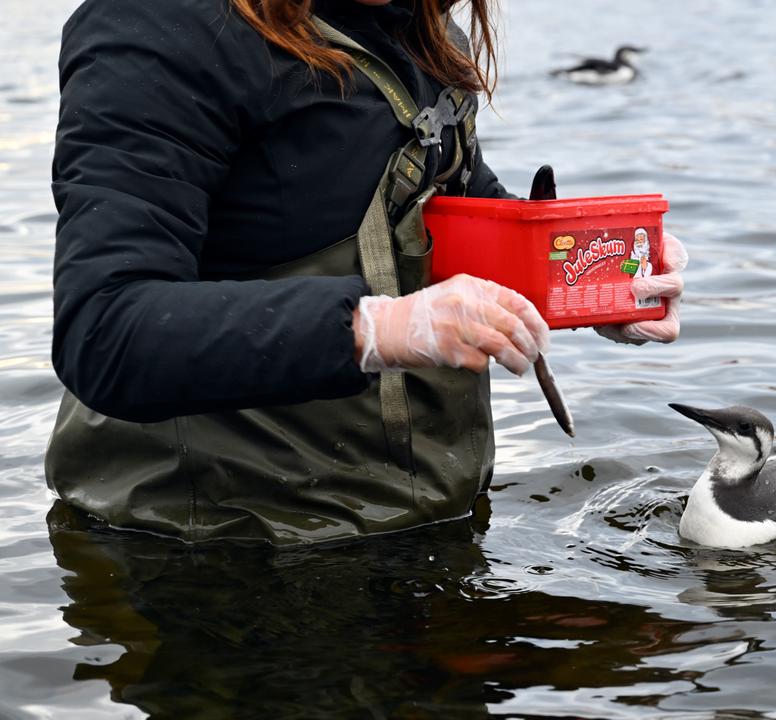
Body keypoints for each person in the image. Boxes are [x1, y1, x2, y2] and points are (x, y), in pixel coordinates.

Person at [46, 0, 687, 545]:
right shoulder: (155, 33)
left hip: (418, 524)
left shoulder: (422, 33)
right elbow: (106, 334)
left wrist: (585, 276)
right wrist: (373, 328)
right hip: (206, 545)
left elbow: (456, 218)